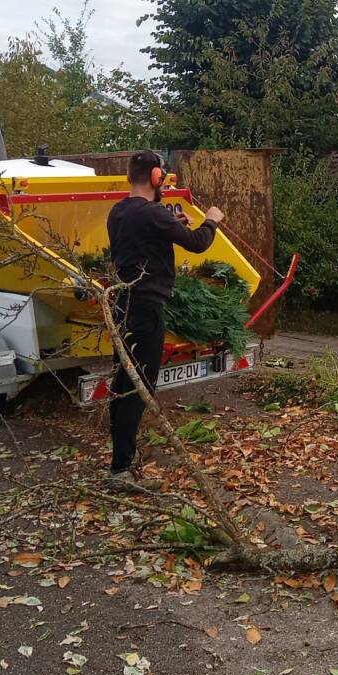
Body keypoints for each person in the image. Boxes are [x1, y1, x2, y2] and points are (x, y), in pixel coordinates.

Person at [105, 151, 224, 489]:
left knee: (122, 384)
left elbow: (145, 238)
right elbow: (199, 243)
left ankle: (120, 461)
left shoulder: (118, 212)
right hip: (146, 309)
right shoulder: (152, 212)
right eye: (164, 178)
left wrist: (173, 226)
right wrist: (211, 219)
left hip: (122, 306)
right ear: (157, 177)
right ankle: (121, 471)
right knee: (139, 387)